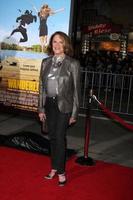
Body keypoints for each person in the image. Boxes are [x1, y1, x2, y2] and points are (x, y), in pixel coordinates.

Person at [38, 31, 81, 186]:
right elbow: (41, 87)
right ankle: (54, 167)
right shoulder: (45, 62)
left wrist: (75, 113)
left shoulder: (73, 64)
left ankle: (61, 171)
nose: (56, 45)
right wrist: (41, 108)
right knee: (52, 138)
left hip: (64, 106)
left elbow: (76, 90)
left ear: (66, 45)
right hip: (48, 104)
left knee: (60, 137)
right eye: (54, 41)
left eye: (60, 42)